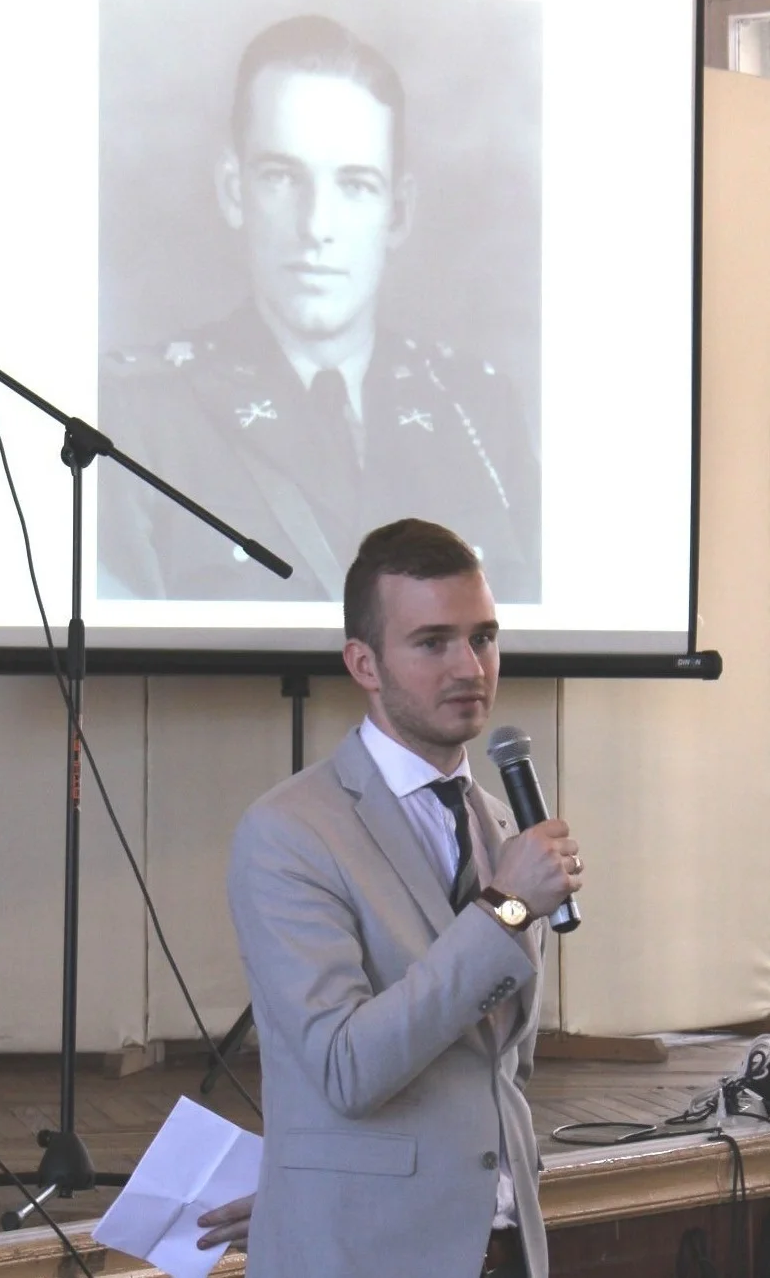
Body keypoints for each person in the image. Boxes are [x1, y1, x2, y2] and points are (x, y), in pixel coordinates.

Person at [210, 518, 582, 1278]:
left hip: (505, 1244)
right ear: (364, 663)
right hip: (365, 1253)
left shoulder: (499, 820)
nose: (469, 667)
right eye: (432, 642)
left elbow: (501, 1065)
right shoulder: (290, 830)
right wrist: (507, 907)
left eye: (483, 637)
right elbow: (347, 1066)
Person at [97, 15, 540, 605]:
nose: (316, 227)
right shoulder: (142, 415)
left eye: (355, 185)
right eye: (282, 177)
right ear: (234, 190)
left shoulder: (478, 413)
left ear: (398, 212)